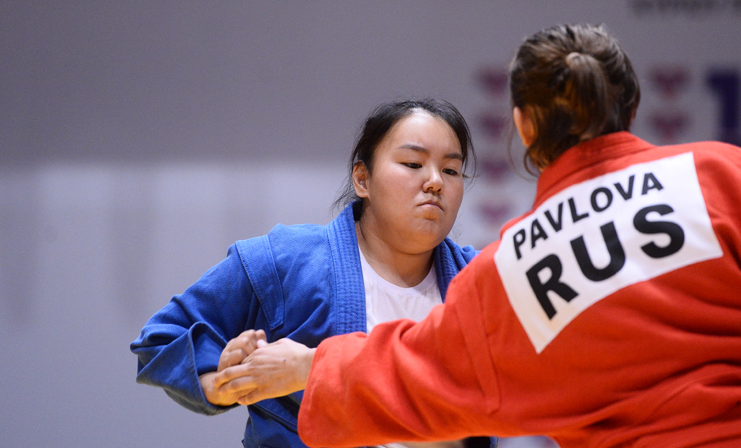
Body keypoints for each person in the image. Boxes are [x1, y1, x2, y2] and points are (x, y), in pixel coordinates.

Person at [229, 23, 741, 447]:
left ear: (523, 125)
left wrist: (312, 365)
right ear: (629, 106)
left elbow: (427, 371)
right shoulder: (722, 173)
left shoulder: (513, 266)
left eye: (450, 169)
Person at [130, 98, 497, 448]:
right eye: (413, 164)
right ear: (362, 179)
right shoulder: (285, 261)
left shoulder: (483, 284)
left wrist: (310, 368)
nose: (435, 181)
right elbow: (162, 338)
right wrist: (220, 383)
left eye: (451, 170)